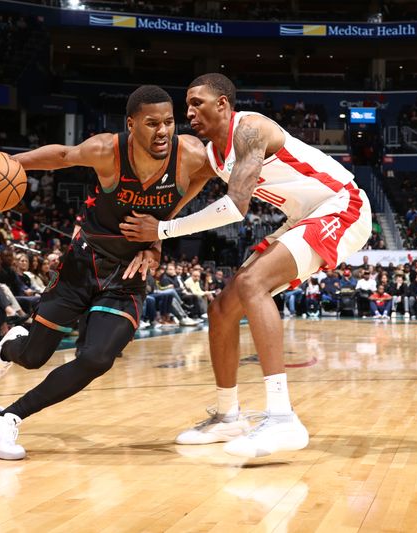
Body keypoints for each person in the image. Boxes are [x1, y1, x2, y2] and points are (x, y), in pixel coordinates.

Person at [120, 73, 371, 457]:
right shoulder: (213, 154)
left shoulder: (251, 129)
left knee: (253, 284)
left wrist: (165, 230)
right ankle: (227, 416)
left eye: (197, 103)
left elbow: (235, 207)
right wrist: (154, 237)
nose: (189, 112)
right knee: (221, 309)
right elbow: (188, 192)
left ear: (223, 104)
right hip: (303, 216)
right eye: (187, 105)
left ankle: (283, 419)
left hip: (342, 205)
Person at [0, 85, 210, 460]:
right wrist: (9, 161)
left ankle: (6, 417)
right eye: (152, 123)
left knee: (97, 358)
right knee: (34, 356)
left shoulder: (190, 155)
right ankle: (11, 346)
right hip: (82, 266)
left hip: (128, 275)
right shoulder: (107, 150)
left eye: (169, 121)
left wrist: (160, 236)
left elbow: (201, 182)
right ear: (131, 124)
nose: (163, 130)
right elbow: (63, 156)